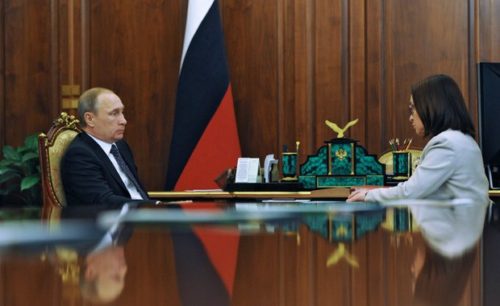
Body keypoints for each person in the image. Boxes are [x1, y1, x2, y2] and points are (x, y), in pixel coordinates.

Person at [347, 74, 490, 206]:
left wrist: (368, 195)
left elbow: (411, 192)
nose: (411, 117)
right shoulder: (461, 139)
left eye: (413, 109)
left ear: (431, 107)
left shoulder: (446, 144)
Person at [61, 87, 149, 207]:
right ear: (90, 119)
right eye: (114, 113)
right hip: (110, 221)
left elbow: (135, 191)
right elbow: (104, 200)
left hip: (142, 216)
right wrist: (153, 207)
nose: (124, 121)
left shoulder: (121, 146)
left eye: (122, 112)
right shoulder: (79, 155)